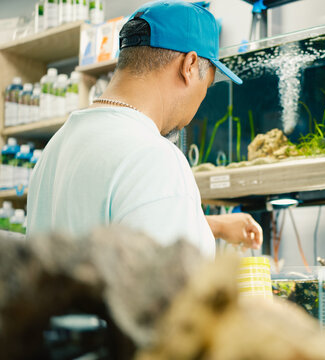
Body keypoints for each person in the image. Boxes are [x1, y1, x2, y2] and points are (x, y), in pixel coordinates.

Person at [26, 0, 262, 257]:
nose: (198, 105)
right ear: (190, 66)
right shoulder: (154, 157)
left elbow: (106, 233)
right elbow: (169, 290)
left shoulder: (57, 147)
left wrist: (211, 225)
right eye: (206, 86)